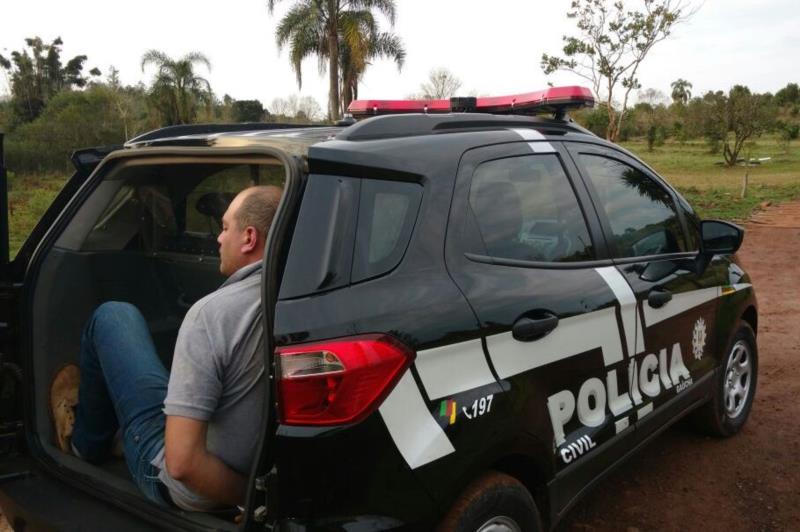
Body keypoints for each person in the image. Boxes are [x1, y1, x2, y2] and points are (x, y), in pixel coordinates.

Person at [49, 185, 282, 511]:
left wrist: (253, 502)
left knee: (114, 316)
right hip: (261, 472)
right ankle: (117, 435)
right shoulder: (309, 299)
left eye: (226, 228)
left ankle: (86, 444)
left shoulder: (212, 314)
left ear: (249, 238)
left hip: (190, 489)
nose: (217, 238)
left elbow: (182, 465)